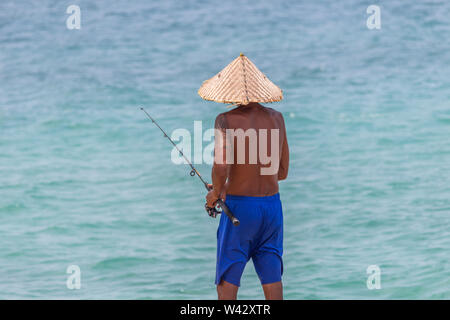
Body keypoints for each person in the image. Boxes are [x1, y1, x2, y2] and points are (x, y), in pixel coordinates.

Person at [198, 54, 289, 300]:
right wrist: (228, 185)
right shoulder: (277, 119)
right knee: (272, 280)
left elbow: (220, 165)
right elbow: (282, 172)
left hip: (240, 209)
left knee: (227, 284)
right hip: (272, 209)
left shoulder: (225, 120)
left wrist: (215, 193)